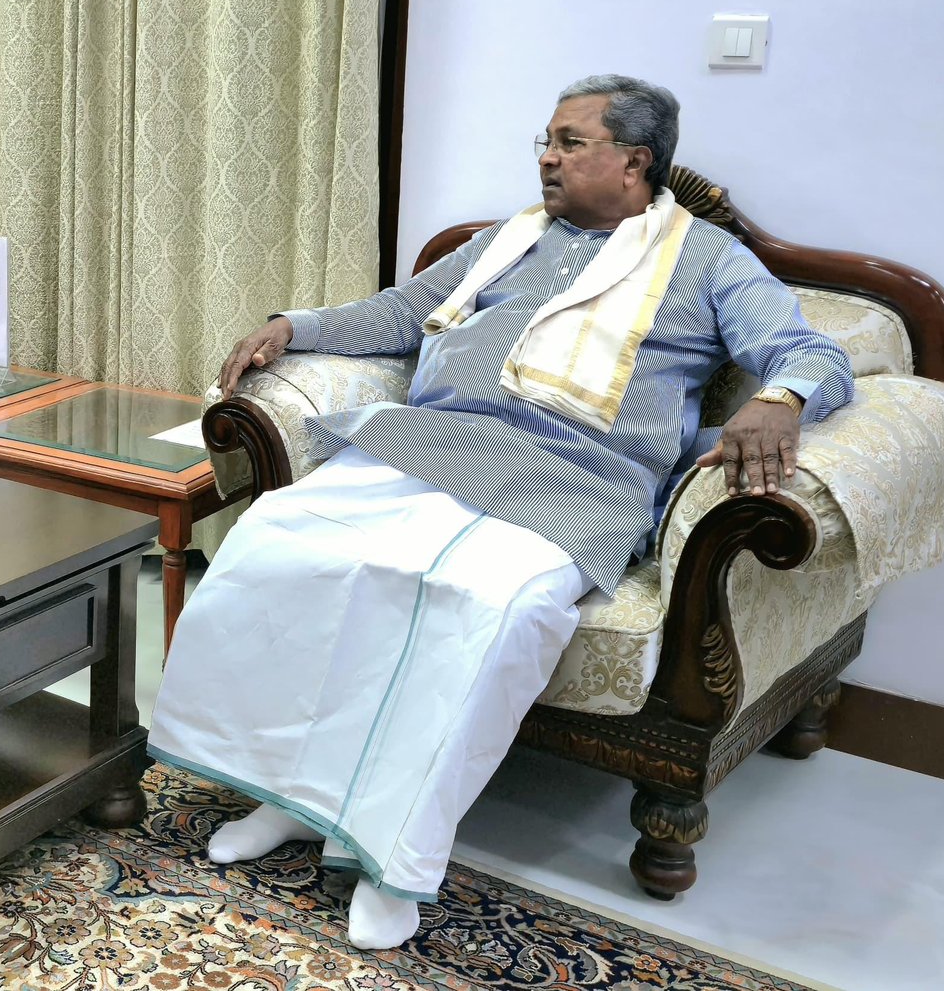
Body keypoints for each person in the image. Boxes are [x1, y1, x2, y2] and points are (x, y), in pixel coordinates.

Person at [148, 75, 853, 950]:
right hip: (432, 440)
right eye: (544, 142)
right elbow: (406, 312)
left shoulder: (709, 260)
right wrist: (294, 325)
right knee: (279, 540)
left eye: (568, 141)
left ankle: (390, 854)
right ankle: (286, 793)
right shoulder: (510, 236)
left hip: (578, 478)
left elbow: (811, 350)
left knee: (492, 609)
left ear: (634, 161)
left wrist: (781, 398)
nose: (547, 158)